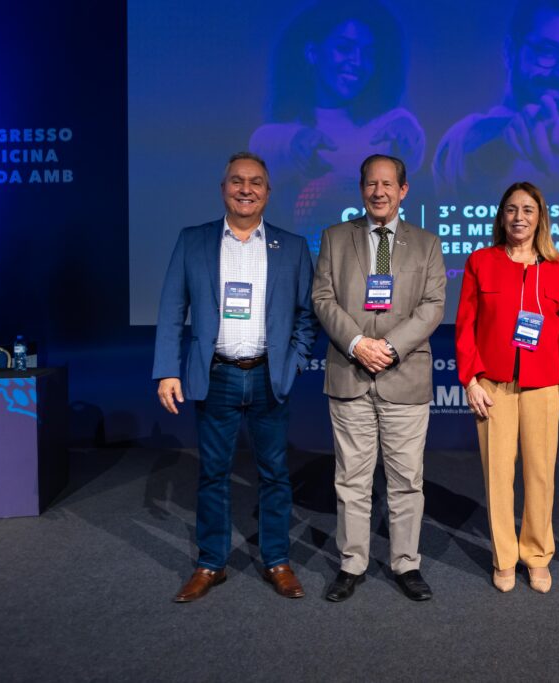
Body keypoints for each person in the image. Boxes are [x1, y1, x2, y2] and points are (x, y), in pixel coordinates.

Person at [153, 152, 318, 602]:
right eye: (237, 181)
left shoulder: (293, 246)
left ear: (268, 192)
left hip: (268, 377)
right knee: (212, 475)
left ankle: (277, 560)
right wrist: (168, 369)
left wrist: (294, 359)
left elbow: (307, 315)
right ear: (223, 187)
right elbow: (171, 311)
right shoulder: (194, 241)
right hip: (216, 375)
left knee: (275, 474)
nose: (246, 189)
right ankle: (211, 563)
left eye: (256, 182)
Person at [312, 154, 446, 602]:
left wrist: (388, 347)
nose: (379, 192)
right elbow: (323, 297)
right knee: (351, 478)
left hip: (403, 375)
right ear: (361, 189)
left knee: (407, 479)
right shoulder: (334, 237)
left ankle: (406, 564)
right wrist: (356, 344)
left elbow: (432, 305)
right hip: (350, 373)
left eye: (388, 184)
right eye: (371, 183)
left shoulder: (426, 243)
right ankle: (352, 564)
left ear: (403, 190)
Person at [455, 182, 559, 593]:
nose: (519, 217)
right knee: (498, 475)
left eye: (528, 209)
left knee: (540, 475)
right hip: (493, 385)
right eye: (511, 209)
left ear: (541, 216)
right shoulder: (481, 262)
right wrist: (471, 379)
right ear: (501, 216)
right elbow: (465, 327)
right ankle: (504, 557)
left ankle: (537, 555)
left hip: (544, 385)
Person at [249, 0, 424, 235]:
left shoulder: (392, 123)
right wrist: (295, 144)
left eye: (368, 53)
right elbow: (266, 146)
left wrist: (408, 134)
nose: (358, 62)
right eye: (344, 48)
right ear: (312, 53)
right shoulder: (276, 135)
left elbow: (414, 154)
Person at [432, 0, 559, 199]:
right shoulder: (465, 137)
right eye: (547, 52)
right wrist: (504, 142)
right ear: (510, 51)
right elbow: (478, 148)